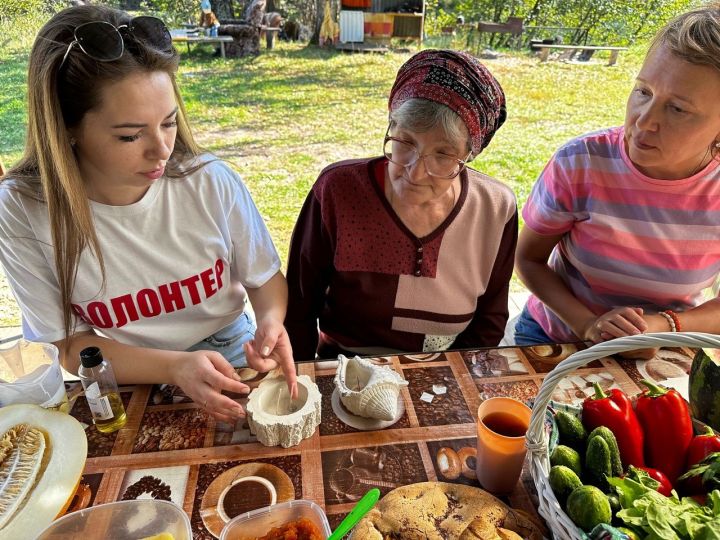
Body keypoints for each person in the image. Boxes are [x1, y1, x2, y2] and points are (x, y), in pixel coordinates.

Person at [0, 5, 297, 422]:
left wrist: (269, 321)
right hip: (125, 368)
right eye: (130, 135)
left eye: (169, 122)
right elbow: (68, 347)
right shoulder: (23, 209)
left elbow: (264, 279)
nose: (162, 150)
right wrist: (172, 366)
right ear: (66, 128)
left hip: (230, 345)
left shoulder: (208, 180)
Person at [514, 4, 720, 356]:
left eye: (678, 109)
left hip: (670, 344)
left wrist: (658, 327)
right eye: (643, 91)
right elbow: (528, 260)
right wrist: (589, 326)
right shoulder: (580, 163)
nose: (644, 121)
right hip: (560, 337)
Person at [285, 50, 517, 360]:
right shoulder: (338, 190)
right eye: (405, 142)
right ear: (390, 125)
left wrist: (453, 381)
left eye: (443, 154)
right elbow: (299, 306)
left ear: (468, 153)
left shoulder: (495, 208)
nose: (415, 171)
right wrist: (302, 382)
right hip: (344, 363)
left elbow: (490, 320)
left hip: (441, 370)